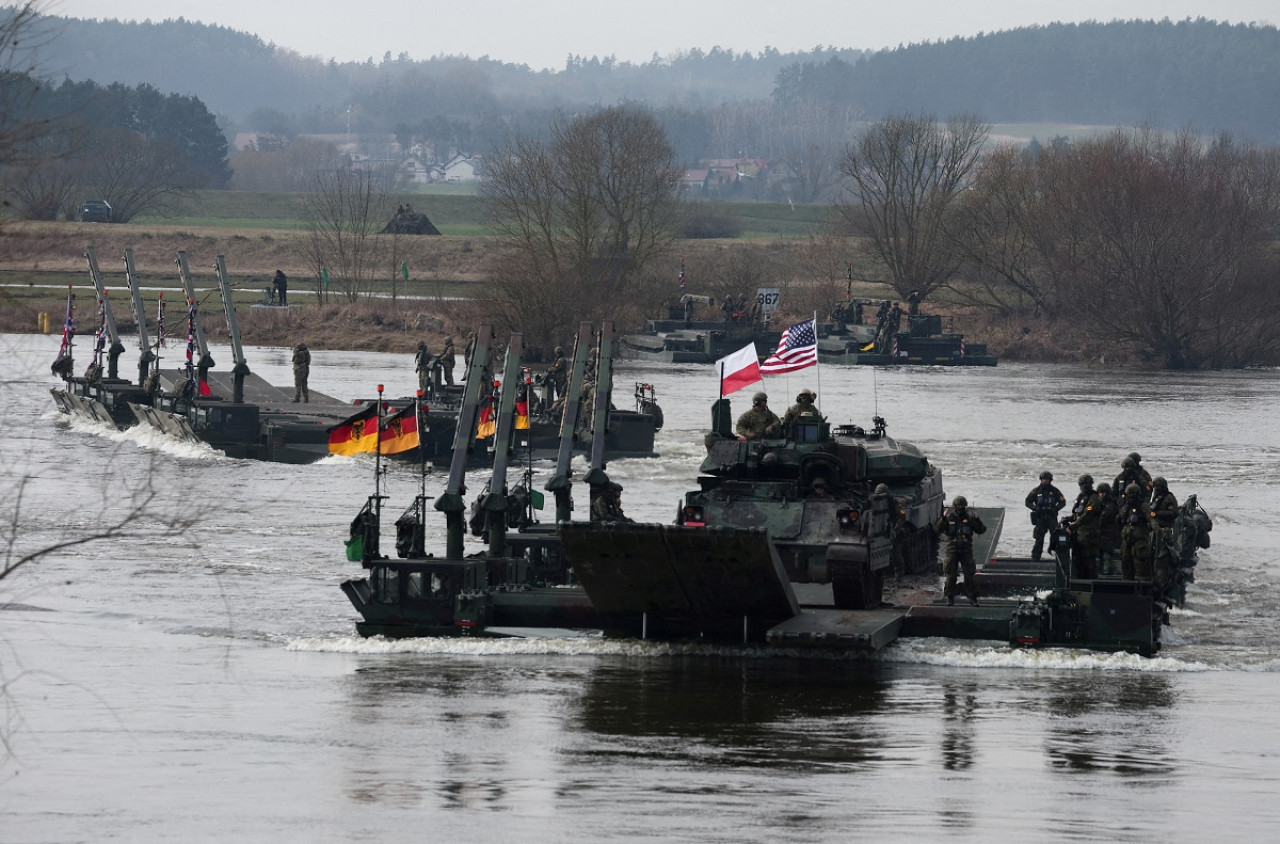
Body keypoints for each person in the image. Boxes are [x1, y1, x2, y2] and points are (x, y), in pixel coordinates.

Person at [935, 495, 986, 606]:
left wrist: (977, 519)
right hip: (952, 549)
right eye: (958, 505)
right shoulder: (949, 518)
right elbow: (937, 529)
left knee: (969, 576)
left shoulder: (970, 518)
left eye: (962, 505)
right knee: (951, 575)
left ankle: (973, 598)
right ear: (955, 506)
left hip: (966, 550)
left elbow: (981, 530)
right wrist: (943, 518)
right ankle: (950, 597)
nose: (960, 507)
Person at [1024, 470, 1066, 561]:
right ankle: (1036, 557)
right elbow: (1027, 501)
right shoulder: (1036, 491)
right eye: (1043, 479)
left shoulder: (1055, 491)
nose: (1045, 481)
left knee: (1055, 537)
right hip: (1040, 517)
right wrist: (1035, 508)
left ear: (1050, 480)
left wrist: (1056, 509)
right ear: (1041, 480)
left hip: (1051, 517)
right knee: (1039, 538)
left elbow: (1063, 502)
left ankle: (1058, 557)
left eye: (1047, 479)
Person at [1148, 476, 1179, 595]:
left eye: (1158, 487)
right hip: (1154, 530)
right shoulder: (1156, 497)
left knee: (1162, 557)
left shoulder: (1169, 498)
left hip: (1164, 530)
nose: (1156, 489)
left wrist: (1157, 514)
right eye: (1155, 487)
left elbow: (1174, 512)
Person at [1067, 474, 1101, 578]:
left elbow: (1086, 515)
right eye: (1083, 484)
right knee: (1078, 559)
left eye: (1087, 484)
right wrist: (1068, 519)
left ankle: (1090, 582)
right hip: (1079, 534)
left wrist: (1072, 526)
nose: (1085, 486)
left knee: (1089, 560)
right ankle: (1079, 579)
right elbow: (1077, 514)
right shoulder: (1081, 497)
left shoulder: (1094, 498)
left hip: (1089, 534)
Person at [1119, 482, 1152, 580]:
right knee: (1125, 562)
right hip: (1127, 538)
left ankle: (1144, 588)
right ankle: (1127, 585)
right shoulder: (1125, 507)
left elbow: (1152, 520)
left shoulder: (1144, 506)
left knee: (1141, 563)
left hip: (1140, 539)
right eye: (1128, 495)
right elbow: (1119, 519)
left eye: (1132, 495)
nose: (1130, 497)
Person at [1095, 482, 1122, 576]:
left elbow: (1103, 518)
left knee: (1106, 554)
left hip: (1109, 533)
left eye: (1103, 492)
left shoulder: (1111, 505)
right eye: (1100, 492)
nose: (1101, 495)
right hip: (1101, 533)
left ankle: (1106, 572)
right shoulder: (1099, 503)